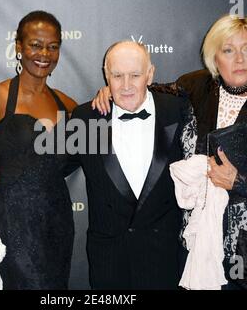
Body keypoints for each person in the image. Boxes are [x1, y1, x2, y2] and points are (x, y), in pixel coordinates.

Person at [93, 15, 247, 290]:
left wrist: (240, 182)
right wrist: (112, 90)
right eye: (228, 50)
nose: (240, 59)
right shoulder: (197, 87)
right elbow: (143, 90)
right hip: (197, 242)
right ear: (214, 58)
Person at [0, 10, 78, 290]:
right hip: (7, 225)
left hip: (57, 225)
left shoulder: (69, 106)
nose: (44, 53)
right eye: (35, 44)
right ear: (18, 46)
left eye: (53, 46)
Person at [71, 41, 186, 289]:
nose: (125, 85)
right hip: (110, 264)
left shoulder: (180, 111)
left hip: (164, 262)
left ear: (150, 74)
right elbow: (50, 164)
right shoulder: (87, 118)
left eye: (135, 75)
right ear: (106, 75)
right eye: (117, 76)